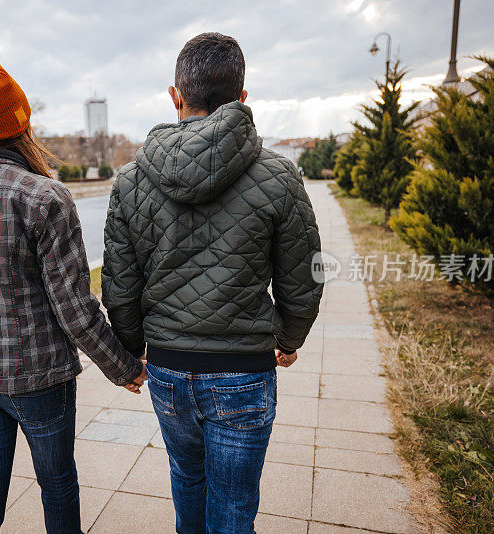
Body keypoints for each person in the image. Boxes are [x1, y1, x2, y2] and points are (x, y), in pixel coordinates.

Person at [0, 58, 146, 534]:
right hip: (38, 377)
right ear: (20, 120)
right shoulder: (44, 196)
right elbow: (74, 309)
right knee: (58, 490)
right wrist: (124, 366)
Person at [102, 33, 323, 533]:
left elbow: (119, 283)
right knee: (235, 506)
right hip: (243, 368)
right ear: (242, 99)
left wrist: (135, 347)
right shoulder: (279, 177)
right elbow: (303, 277)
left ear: (175, 96)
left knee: (187, 483)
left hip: (167, 367)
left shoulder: (131, 181)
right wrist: (288, 339)